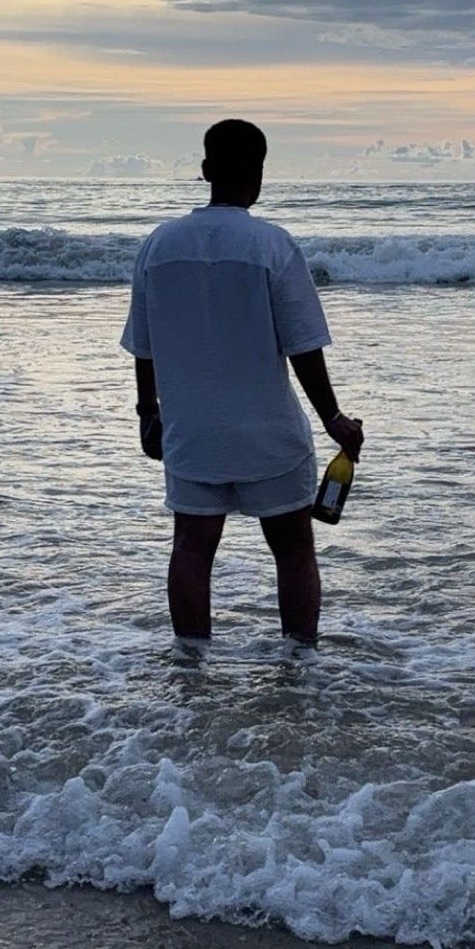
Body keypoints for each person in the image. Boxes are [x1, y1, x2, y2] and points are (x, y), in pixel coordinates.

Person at [121, 119, 364, 653]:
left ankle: (191, 661)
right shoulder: (272, 246)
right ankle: (299, 659)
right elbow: (303, 346)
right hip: (268, 434)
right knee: (293, 548)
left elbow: (144, 344)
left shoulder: (159, 246)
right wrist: (332, 418)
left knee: (191, 547)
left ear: (205, 170)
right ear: (259, 175)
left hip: (191, 432)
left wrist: (147, 413)